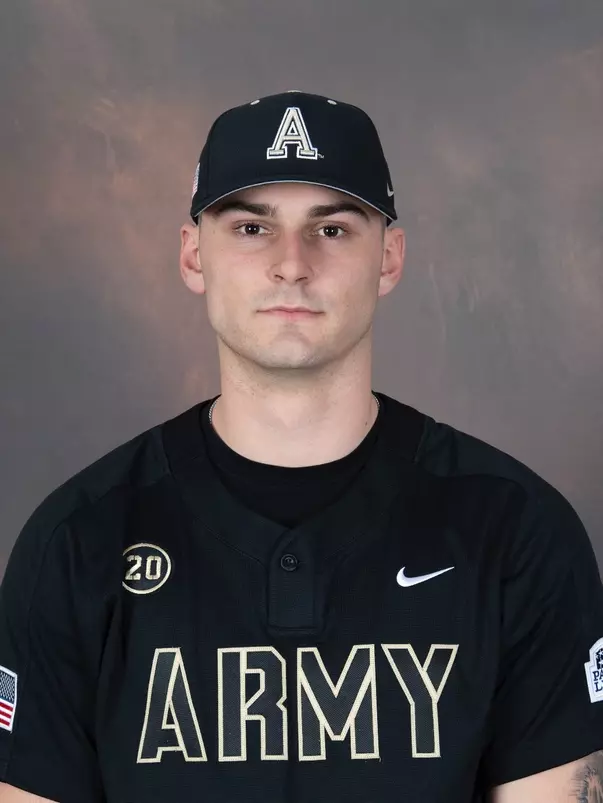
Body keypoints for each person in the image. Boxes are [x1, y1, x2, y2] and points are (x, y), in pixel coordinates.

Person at [0, 90, 601, 803]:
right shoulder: (78, 541)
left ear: (389, 257)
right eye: (251, 227)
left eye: (334, 229)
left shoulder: (516, 532)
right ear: (194, 254)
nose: (292, 264)